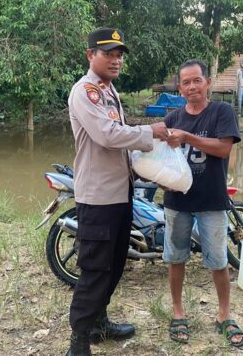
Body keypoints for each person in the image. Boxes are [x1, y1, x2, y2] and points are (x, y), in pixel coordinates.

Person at [66, 27, 168, 356]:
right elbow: (109, 135)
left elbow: (121, 143)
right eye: (107, 53)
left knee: (114, 265)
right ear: (90, 55)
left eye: (119, 55)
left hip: (119, 194)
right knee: (95, 270)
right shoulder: (86, 91)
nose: (115, 60)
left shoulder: (109, 92)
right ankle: (79, 341)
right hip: (97, 198)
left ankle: (100, 322)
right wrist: (149, 131)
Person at [163, 59, 243, 347]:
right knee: (176, 258)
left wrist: (187, 137)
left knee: (218, 261)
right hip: (176, 200)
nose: (192, 86)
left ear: (207, 82)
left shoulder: (221, 112)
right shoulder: (172, 118)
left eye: (197, 80)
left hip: (212, 200)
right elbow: (163, 155)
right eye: (186, 82)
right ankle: (177, 311)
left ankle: (224, 314)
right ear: (180, 87)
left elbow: (223, 149)